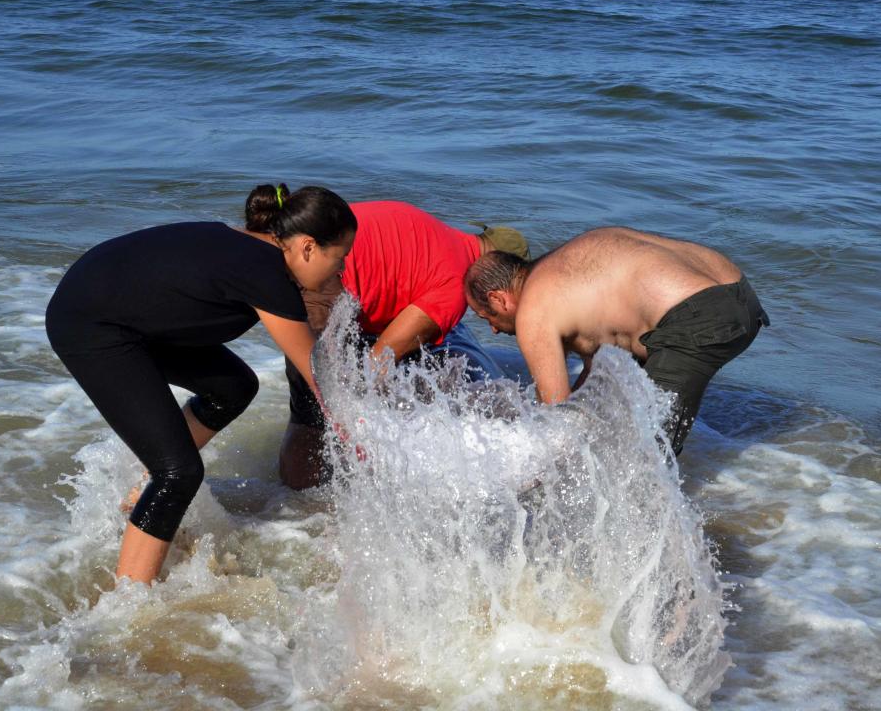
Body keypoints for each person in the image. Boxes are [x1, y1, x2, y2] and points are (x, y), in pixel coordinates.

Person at [45, 184, 356, 583]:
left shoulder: (260, 251)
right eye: (340, 257)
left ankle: (145, 491)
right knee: (180, 473)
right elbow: (318, 377)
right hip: (91, 326)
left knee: (234, 386)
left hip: (122, 315)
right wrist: (360, 431)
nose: (342, 269)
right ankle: (128, 600)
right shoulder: (268, 275)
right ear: (308, 247)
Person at [275, 200, 532, 489]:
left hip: (306, 254)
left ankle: (291, 503)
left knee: (308, 409)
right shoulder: (453, 289)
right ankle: (304, 507)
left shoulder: (440, 234)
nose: (493, 327)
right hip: (324, 280)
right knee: (320, 412)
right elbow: (379, 360)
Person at [464, 226, 769, 455]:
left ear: (499, 299)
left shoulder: (533, 309)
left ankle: (658, 537)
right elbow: (593, 381)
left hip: (697, 317)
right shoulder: (564, 274)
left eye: (485, 316)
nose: (492, 329)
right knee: (623, 427)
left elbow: (557, 421)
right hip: (741, 296)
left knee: (647, 456)